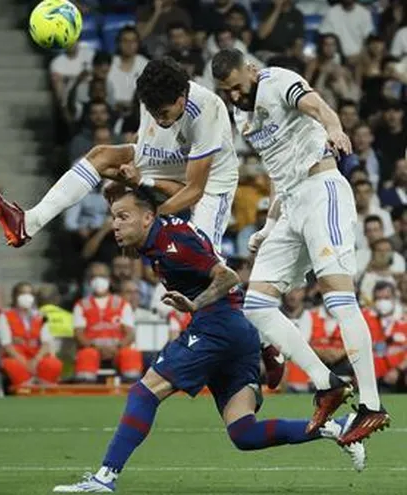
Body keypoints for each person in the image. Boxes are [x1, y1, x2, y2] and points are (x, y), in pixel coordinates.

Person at [51, 188, 364, 493]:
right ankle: (337, 427)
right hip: (236, 329)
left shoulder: (173, 242)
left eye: (123, 216)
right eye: (114, 217)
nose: (115, 224)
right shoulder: (161, 236)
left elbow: (228, 276)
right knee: (244, 432)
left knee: (144, 393)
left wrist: (196, 304)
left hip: (217, 325)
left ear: (148, 217)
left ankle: (105, 477)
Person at [212, 48, 390, 445]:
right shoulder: (242, 116)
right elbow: (279, 170)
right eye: (228, 92)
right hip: (291, 205)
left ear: (252, 71)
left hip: (322, 191)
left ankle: (373, 406)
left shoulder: (277, 81)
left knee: (338, 296)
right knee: (256, 304)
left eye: (238, 87)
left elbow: (318, 106)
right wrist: (269, 223)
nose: (236, 96)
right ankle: (327, 384)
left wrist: (334, 128)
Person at [0, 57, 238, 253]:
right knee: (101, 156)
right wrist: (120, 179)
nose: (159, 119)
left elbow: (195, 190)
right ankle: (29, 222)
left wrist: (150, 218)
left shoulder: (207, 110)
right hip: (172, 158)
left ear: (182, 98)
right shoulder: (151, 94)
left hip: (211, 180)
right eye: (154, 112)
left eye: (164, 112)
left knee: (204, 255)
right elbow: (143, 142)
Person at [73, 263, 141, 383]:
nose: (98, 280)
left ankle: (132, 393)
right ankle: (85, 391)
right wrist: (95, 347)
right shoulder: (81, 305)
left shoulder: (122, 304)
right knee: (86, 355)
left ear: (109, 279)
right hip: (92, 348)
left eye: (102, 276)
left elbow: (130, 333)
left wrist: (117, 347)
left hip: (118, 348)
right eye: (94, 276)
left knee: (131, 354)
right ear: (89, 281)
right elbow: (78, 334)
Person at [0, 282, 62, 390]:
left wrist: (36, 360)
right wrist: (25, 363)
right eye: (22, 293)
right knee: (12, 365)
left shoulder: (40, 316)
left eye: (29, 293)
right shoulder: (5, 316)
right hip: (16, 358)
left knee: (53, 363)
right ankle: (26, 389)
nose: (26, 297)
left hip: (36, 357)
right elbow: (6, 345)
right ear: (15, 297)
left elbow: (46, 343)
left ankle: (46, 389)